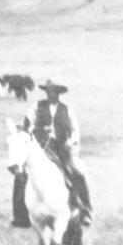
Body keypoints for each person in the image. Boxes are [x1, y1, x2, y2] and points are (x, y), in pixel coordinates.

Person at [14, 79, 92, 226]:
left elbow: (75, 130)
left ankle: (85, 210)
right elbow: (28, 123)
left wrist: (72, 141)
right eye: (49, 90)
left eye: (54, 90)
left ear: (59, 92)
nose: (51, 93)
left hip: (63, 149)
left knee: (78, 172)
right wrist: (31, 130)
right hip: (42, 149)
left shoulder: (67, 110)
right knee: (21, 175)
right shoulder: (36, 106)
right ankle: (20, 215)